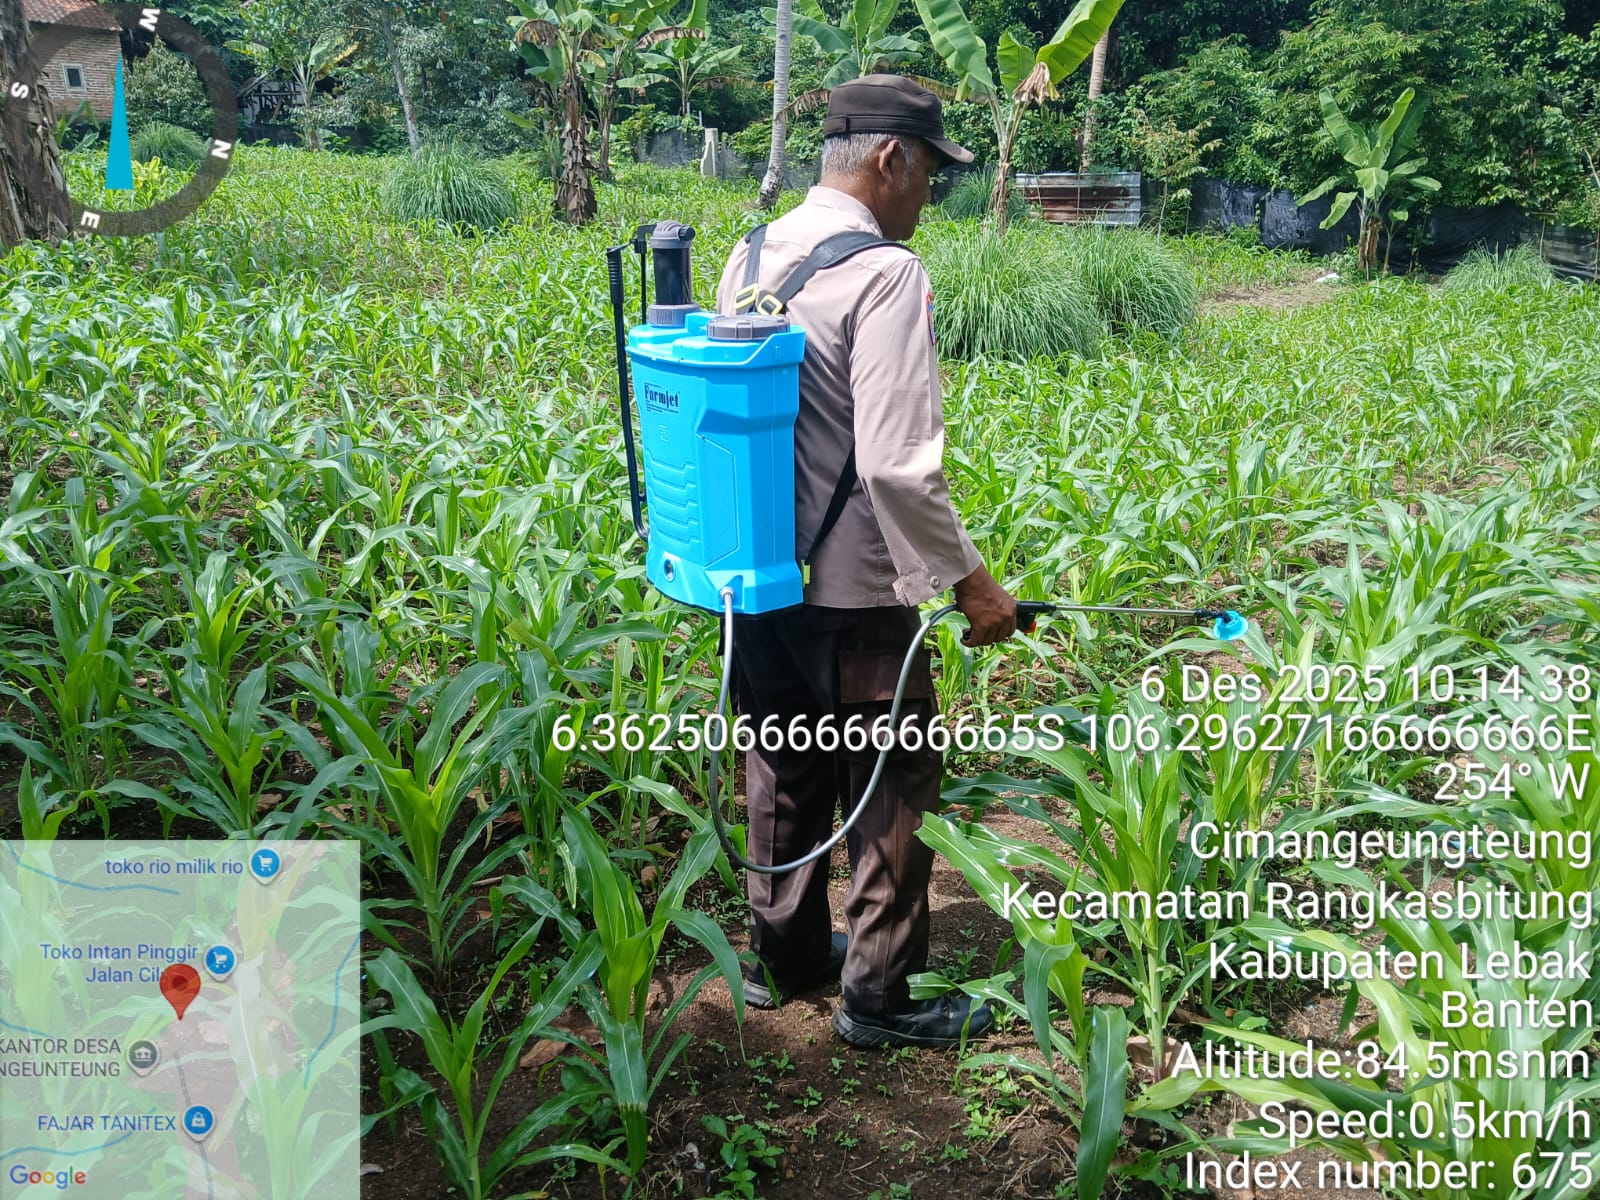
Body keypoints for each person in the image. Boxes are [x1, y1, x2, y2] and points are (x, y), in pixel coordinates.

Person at [713, 75, 1018, 1050]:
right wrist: (971, 585)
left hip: (753, 580)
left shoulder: (751, 252)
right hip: (852, 593)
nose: (928, 193)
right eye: (928, 171)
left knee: (783, 767)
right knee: (890, 784)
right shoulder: (885, 273)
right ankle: (880, 998)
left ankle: (787, 957)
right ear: (889, 158)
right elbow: (896, 464)